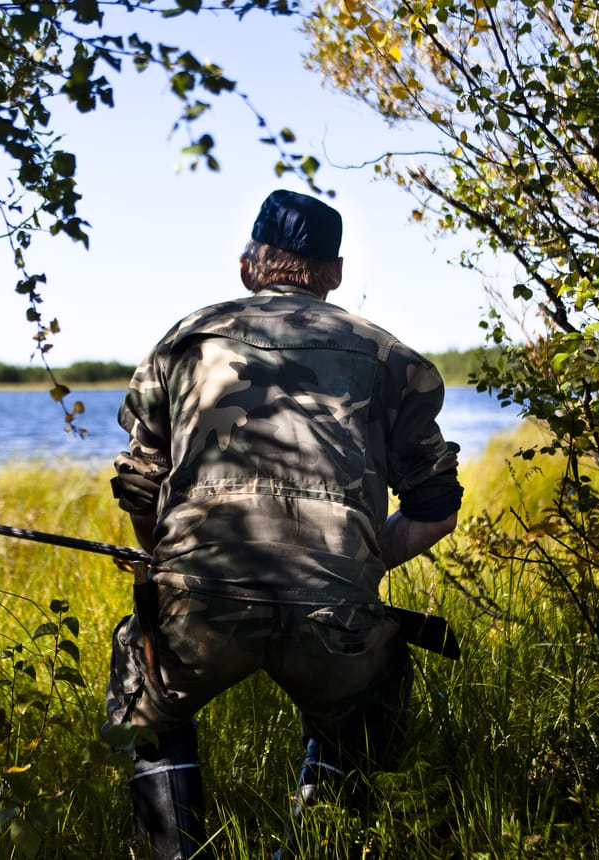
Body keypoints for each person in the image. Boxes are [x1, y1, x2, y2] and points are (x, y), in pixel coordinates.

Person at [104, 189, 463, 860]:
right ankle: (313, 843)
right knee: (360, 714)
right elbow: (435, 510)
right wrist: (354, 566)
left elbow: (139, 489)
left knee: (147, 704)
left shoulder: (184, 343)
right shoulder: (391, 359)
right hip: (336, 616)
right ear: (335, 273)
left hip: (197, 600)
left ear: (249, 265)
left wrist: (168, 560)